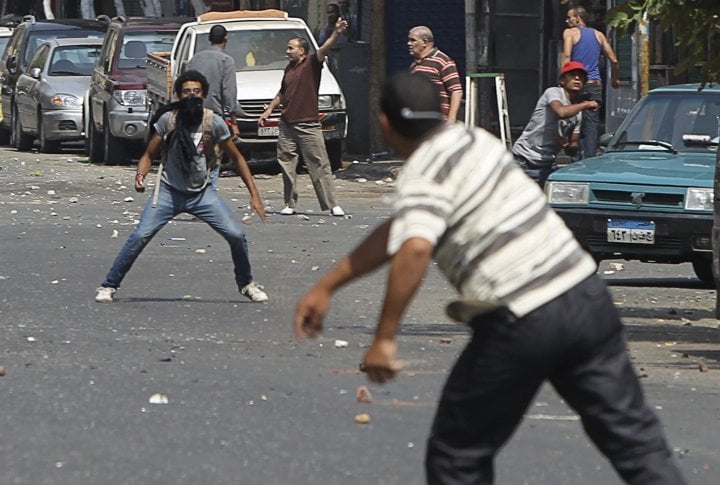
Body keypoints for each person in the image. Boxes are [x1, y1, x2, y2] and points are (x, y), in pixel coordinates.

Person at [293, 73, 686, 485]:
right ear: (442, 112)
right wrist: (328, 285)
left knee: (457, 456)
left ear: (385, 123)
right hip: (586, 297)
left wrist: (385, 338)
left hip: (522, 315)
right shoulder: (475, 141)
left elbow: (414, 247)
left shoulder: (422, 170)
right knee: (634, 440)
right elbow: (401, 229)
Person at [95, 70, 269, 304]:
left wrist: (255, 196)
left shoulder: (213, 122)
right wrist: (140, 175)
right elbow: (149, 154)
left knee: (236, 235)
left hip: (202, 193)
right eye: (187, 92)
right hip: (169, 191)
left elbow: (237, 159)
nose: (192, 96)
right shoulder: (169, 121)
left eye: (196, 92)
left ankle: (246, 283)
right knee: (140, 235)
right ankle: (109, 285)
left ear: (204, 95)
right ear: (178, 96)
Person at [258, 20, 346, 217]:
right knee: (286, 162)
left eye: (291, 48)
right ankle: (290, 203)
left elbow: (325, 48)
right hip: (287, 123)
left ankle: (332, 204)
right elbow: (283, 93)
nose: (287, 51)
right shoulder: (289, 69)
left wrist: (336, 33)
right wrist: (269, 110)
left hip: (308, 124)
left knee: (318, 163)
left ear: (302, 51)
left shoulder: (312, 64)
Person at [512, 61, 598, 187]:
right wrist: (586, 104)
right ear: (562, 81)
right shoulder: (553, 92)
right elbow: (561, 112)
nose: (577, 78)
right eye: (572, 75)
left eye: (581, 76)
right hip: (524, 161)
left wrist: (566, 145)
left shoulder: (577, 114)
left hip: (547, 165)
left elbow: (573, 148)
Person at [186, 24, 242, 187]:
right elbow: (229, 93)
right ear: (226, 39)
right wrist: (234, 123)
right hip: (213, 117)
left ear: (209, 39)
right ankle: (209, 194)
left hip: (191, 115)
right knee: (214, 158)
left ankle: (195, 190)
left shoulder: (195, 59)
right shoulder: (226, 61)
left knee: (195, 154)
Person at [562, 6, 620, 158]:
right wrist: (615, 79)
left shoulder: (569, 33)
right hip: (594, 83)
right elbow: (614, 60)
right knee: (591, 125)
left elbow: (567, 56)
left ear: (578, 19)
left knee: (571, 119)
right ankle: (589, 158)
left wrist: (562, 79)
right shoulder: (599, 35)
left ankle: (574, 158)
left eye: (569, 18)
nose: (567, 21)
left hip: (576, 83)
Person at [408, 26, 463, 123]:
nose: (409, 44)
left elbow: (456, 91)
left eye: (413, 40)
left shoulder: (443, 61)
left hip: (438, 123)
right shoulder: (414, 66)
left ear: (425, 42)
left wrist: (451, 120)